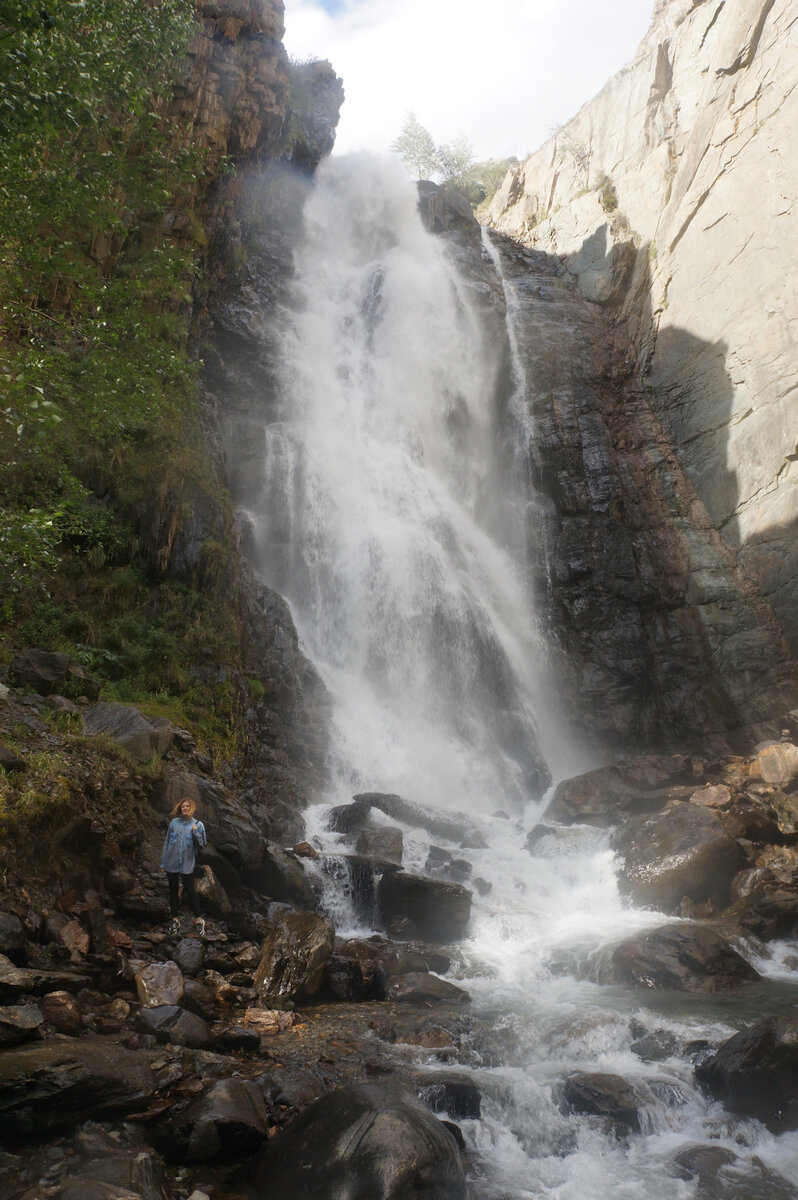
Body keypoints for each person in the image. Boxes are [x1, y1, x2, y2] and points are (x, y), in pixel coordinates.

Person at [161, 797, 207, 937]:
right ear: (180, 809)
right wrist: (163, 863)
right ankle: (175, 920)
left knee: (191, 891)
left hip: (187, 864)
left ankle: (199, 920)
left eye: (187, 806)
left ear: (192, 808)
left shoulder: (198, 825)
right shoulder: (174, 823)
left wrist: (195, 832)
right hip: (172, 862)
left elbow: (202, 845)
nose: (185, 808)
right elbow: (167, 843)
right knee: (173, 891)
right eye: (183, 806)